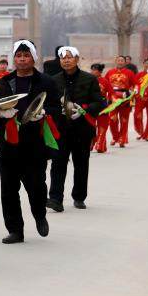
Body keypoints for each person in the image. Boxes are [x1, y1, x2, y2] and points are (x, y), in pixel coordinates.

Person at [0, 40, 61, 244]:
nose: (21, 59)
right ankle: (15, 230)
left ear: (33, 58)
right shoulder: (4, 83)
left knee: (36, 187)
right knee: (8, 191)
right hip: (9, 145)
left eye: (26, 55)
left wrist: (44, 113)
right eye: (18, 56)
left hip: (35, 145)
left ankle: (39, 215)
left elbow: (57, 108)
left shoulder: (46, 82)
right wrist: (1, 114)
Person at [47, 47, 104, 212]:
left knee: (81, 164)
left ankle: (79, 197)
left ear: (77, 59)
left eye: (69, 57)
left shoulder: (90, 79)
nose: (66, 60)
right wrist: (57, 110)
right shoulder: (53, 80)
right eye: (62, 58)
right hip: (61, 129)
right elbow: (49, 104)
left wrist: (83, 109)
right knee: (58, 163)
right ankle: (56, 199)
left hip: (82, 129)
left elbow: (99, 103)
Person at [104, 56, 135, 147]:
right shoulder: (110, 72)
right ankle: (115, 137)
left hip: (124, 98)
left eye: (122, 60)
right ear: (115, 61)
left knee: (124, 120)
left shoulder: (129, 73)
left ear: (125, 62)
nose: (120, 62)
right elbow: (105, 83)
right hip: (112, 98)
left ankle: (122, 139)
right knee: (112, 120)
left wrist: (134, 92)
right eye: (118, 60)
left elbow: (135, 84)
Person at [133, 58, 148, 142]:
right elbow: (136, 84)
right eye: (145, 63)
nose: (147, 65)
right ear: (143, 64)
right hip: (140, 98)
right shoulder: (139, 74)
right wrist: (136, 91)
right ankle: (142, 132)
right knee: (137, 115)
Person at [90, 64, 112, 153]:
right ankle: (91, 142)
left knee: (102, 126)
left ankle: (100, 145)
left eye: (95, 70)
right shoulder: (88, 80)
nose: (92, 72)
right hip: (91, 105)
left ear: (100, 71)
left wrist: (112, 102)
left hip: (102, 105)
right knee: (90, 126)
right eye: (92, 70)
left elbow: (111, 93)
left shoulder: (105, 81)